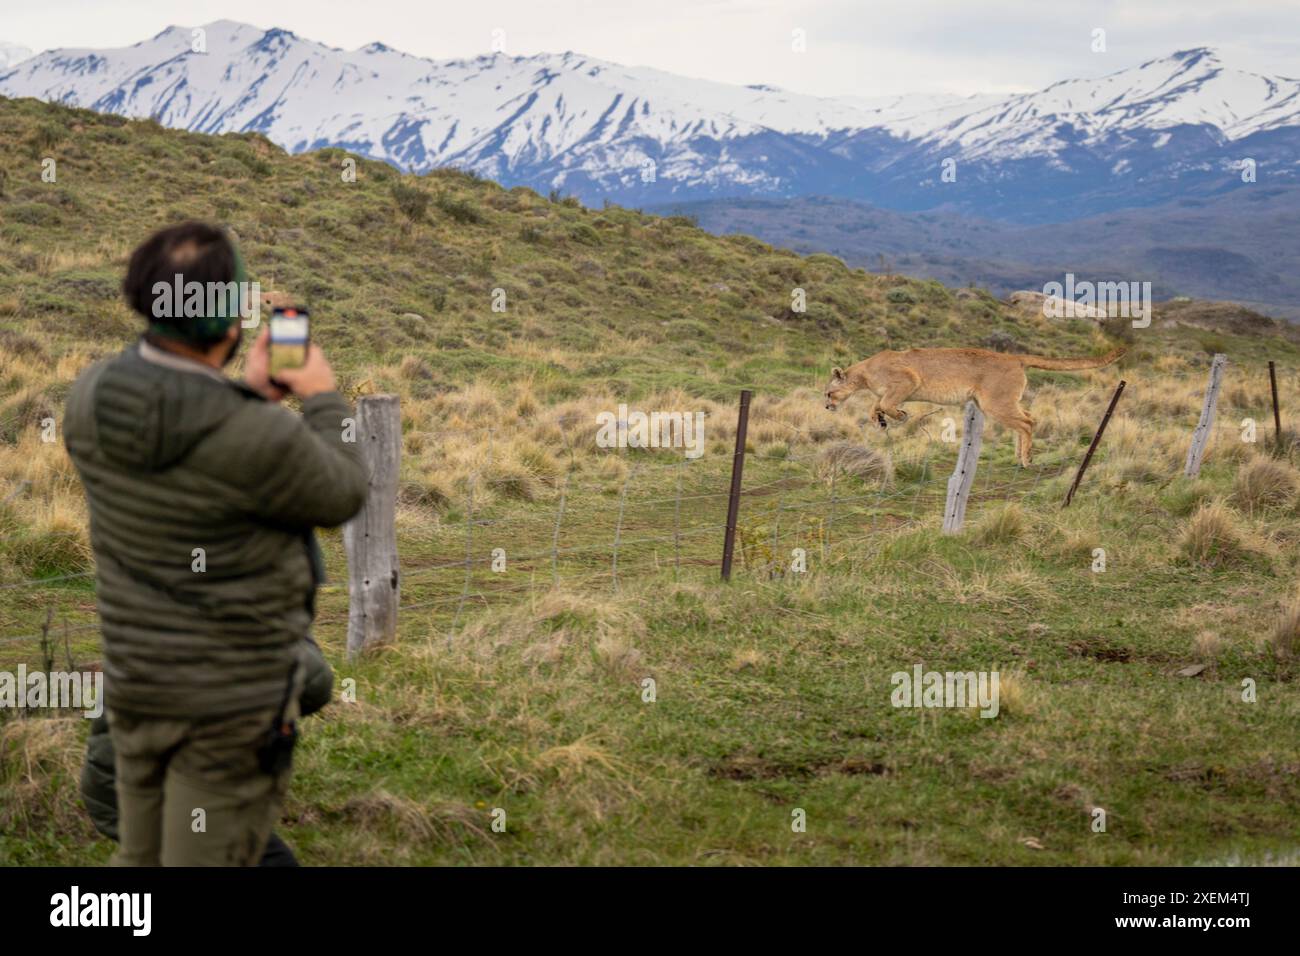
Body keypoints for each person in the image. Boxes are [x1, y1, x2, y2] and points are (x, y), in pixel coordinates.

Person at [63, 222, 367, 866]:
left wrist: (244, 394)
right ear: (230, 324)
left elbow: (185, 438)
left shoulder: (90, 397)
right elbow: (341, 491)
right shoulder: (257, 438)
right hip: (230, 701)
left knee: (141, 861)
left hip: (137, 683)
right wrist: (321, 398)